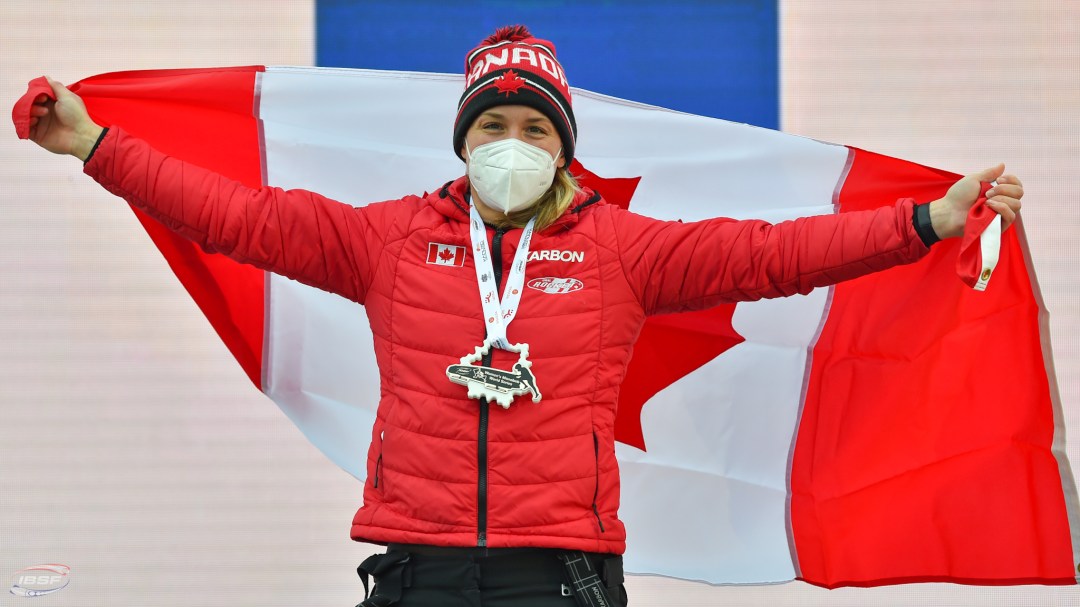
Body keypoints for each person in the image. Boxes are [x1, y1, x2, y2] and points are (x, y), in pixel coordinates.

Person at [23, 25, 1023, 607]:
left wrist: (923, 222)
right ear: (464, 141)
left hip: (562, 576)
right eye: (493, 125)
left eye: (534, 128)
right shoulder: (391, 241)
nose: (512, 143)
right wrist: (97, 145)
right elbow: (234, 215)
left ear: (563, 147)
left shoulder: (624, 248)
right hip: (418, 567)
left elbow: (774, 254)